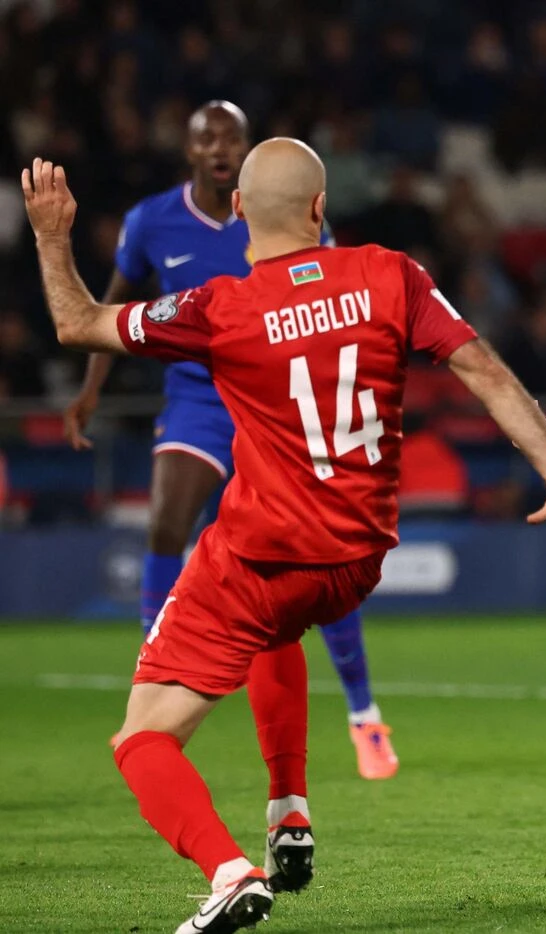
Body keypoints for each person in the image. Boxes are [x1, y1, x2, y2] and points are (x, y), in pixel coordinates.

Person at [23, 142, 546, 933]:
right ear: (319, 208)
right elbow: (483, 369)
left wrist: (51, 235)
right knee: (278, 632)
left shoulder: (218, 307)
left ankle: (230, 872)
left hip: (260, 558)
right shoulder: (390, 274)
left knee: (141, 741)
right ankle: (289, 810)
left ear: (238, 211)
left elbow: (78, 323)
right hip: (355, 562)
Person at [62, 101, 403, 780]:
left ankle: (364, 713)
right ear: (189, 152)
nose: (220, 147)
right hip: (197, 398)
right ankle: (155, 666)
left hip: (279, 396)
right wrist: (92, 387)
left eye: (232, 138)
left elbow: (334, 302)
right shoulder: (150, 222)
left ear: (245, 155)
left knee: (320, 552)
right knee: (166, 523)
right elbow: (112, 301)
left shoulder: (291, 212)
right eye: (207, 138)